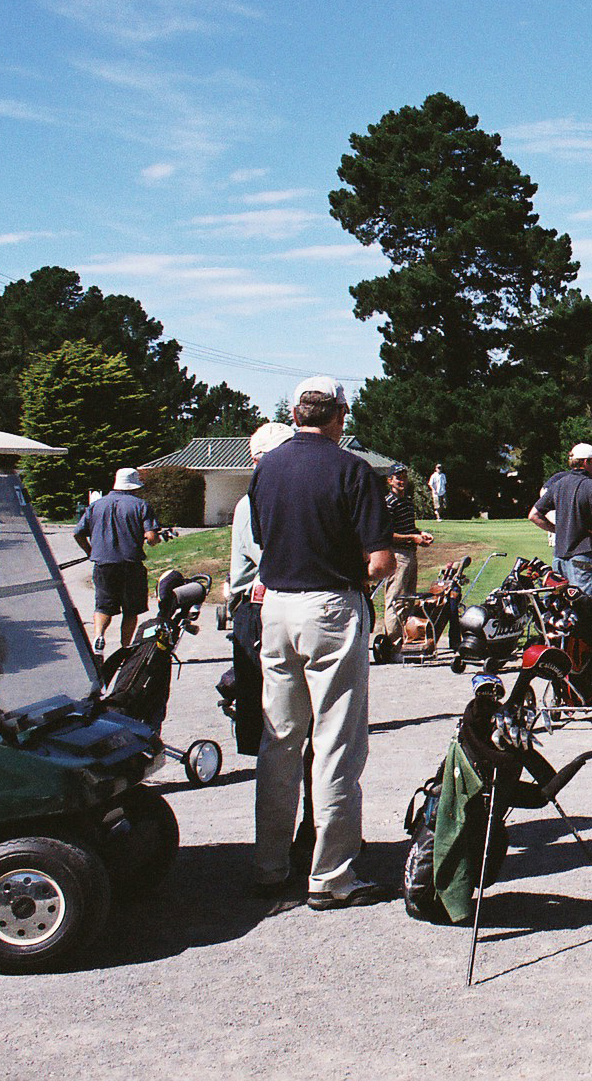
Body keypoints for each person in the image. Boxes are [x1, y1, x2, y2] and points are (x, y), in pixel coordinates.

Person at [249, 376, 395, 909]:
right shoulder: (352, 469)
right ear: (340, 414)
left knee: (280, 739)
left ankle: (269, 864)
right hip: (330, 604)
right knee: (336, 741)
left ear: (294, 413)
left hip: (277, 605)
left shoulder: (267, 469)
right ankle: (331, 875)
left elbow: (265, 538)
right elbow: (380, 561)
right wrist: (361, 578)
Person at [223, 421, 295, 755]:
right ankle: (258, 756)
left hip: (274, 600)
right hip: (252, 605)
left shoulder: (276, 499)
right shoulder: (251, 503)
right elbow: (269, 556)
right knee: (256, 685)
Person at [73, 466, 161, 654]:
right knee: (130, 609)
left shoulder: (96, 505)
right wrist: (155, 538)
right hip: (130, 564)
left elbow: (78, 533)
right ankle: (125, 647)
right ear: (134, 486)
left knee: (103, 604)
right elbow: (151, 538)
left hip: (103, 564)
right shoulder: (140, 505)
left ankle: (98, 636)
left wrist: (90, 551)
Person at [528, 443, 592, 606]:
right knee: (590, 609)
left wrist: (556, 530)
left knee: (564, 611)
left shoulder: (558, 485)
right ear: (586, 462)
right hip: (583, 557)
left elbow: (534, 515)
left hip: (559, 558)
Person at [380, 469, 434, 650]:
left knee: (409, 600)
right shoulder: (388, 503)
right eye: (397, 478)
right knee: (396, 600)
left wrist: (420, 534)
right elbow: (386, 534)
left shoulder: (407, 503)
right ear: (390, 481)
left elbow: (409, 527)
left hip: (411, 554)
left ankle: (404, 641)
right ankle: (392, 644)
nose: (401, 481)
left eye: (404, 477)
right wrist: (412, 538)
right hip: (397, 555)